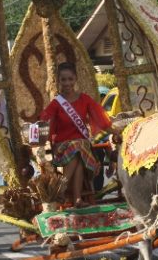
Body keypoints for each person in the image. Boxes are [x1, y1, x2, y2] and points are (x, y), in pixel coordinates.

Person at [39, 62, 118, 208]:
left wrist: (118, 132)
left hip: (80, 147)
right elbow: (44, 121)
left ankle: (71, 196)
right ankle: (67, 191)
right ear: (58, 81)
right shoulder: (56, 103)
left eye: (70, 79)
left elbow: (101, 120)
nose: (67, 83)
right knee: (79, 148)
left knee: (79, 149)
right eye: (63, 80)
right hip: (61, 148)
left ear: (75, 79)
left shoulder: (85, 100)